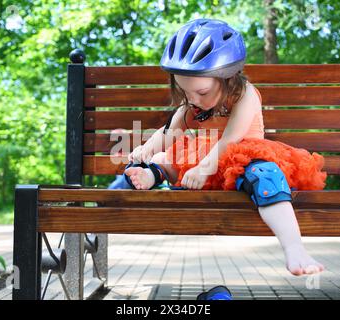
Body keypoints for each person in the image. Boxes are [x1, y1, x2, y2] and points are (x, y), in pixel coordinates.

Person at [119, 18, 327, 276]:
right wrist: (147, 148)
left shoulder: (245, 94)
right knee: (166, 155)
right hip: (203, 168)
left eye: (202, 92)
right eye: (186, 92)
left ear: (227, 77)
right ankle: (152, 174)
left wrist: (204, 168)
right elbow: (171, 132)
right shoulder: (193, 104)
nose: (193, 100)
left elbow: (231, 140)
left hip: (243, 159)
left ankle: (295, 248)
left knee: (267, 177)